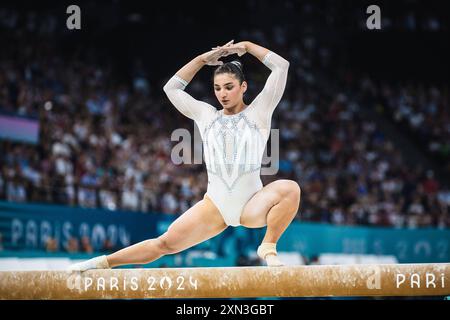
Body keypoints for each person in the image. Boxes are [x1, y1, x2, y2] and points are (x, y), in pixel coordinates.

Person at [67, 40, 301, 272]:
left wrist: (248, 46)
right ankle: (101, 263)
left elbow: (281, 66)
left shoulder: (259, 111)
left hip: (252, 205)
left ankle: (268, 246)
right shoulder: (206, 115)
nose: (223, 94)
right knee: (164, 243)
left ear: (244, 87)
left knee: (290, 189)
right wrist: (201, 60)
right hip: (215, 207)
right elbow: (172, 88)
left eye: (229, 87)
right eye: (217, 88)